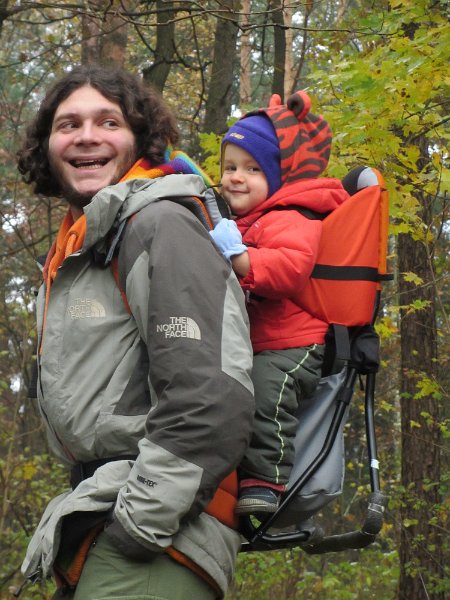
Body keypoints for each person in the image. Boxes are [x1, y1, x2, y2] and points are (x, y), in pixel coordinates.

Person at [16, 65, 254, 600]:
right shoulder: (81, 244)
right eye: (68, 124)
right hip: (104, 513)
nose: (86, 136)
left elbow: (210, 392)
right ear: (47, 147)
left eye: (109, 122)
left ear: (140, 139)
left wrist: (142, 520)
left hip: (160, 534)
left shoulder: (158, 224)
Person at [209, 90, 350, 516]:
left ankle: (265, 482)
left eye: (252, 169)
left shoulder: (290, 216)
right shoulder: (240, 220)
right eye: (230, 167)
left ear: (278, 176)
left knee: (267, 393)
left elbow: (290, 269)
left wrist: (240, 258)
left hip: (294, 343)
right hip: (257, 340)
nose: (236, 177)